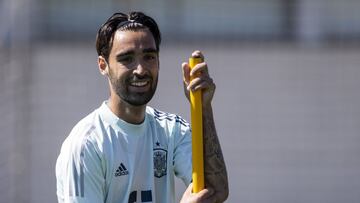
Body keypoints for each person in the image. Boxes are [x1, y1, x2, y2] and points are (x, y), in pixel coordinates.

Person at [55, 11, 228, 203]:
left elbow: (216, 192)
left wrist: (204, 108)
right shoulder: (86, 145)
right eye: (126, 59)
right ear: (103, 65)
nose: (140, 69)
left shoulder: (171, 130)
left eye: (149, 57)